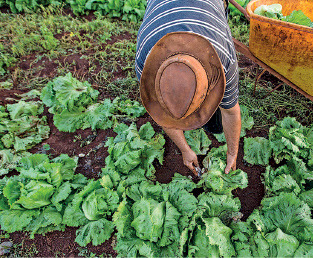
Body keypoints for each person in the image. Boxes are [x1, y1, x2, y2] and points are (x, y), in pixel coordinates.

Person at [135, 0, 241, 176]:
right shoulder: (145, 62)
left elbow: (231, 112)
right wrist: (185, 149)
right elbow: (162, 115)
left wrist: (232, 154)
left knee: (217, 123)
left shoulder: (223, 60)